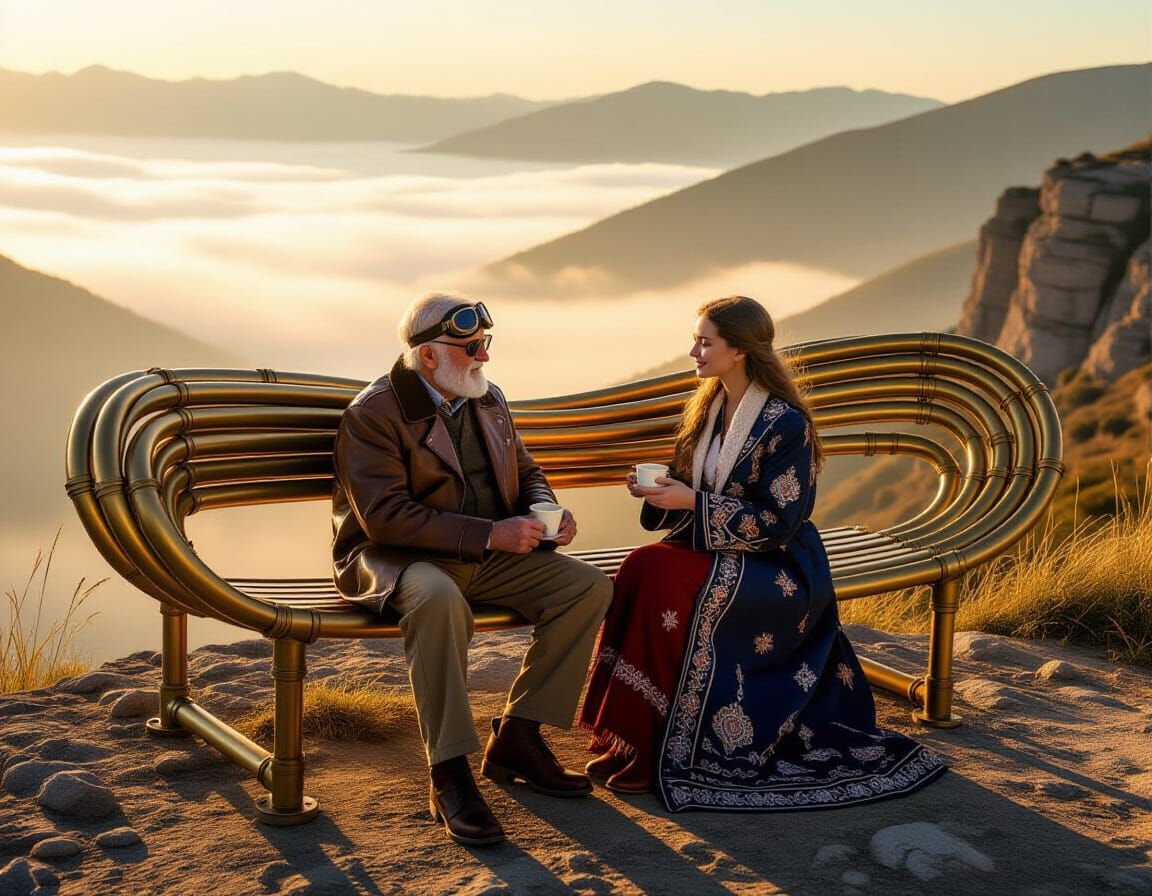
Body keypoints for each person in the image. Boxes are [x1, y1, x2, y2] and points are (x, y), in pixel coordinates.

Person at [579, 295, 946, 811]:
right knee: (640, 566)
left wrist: (695, 502)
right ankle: (631, 736)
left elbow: (778, 521)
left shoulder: (786, 424)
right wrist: (664, 491)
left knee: (661, 573)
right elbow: (692, 485)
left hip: (776, 564)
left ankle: (660, 750)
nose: (694, 352)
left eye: (706, 343)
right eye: (696, 340)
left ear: (740, 351)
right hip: (716, 544)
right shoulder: (707, 408)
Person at [332, 292, 613, 845]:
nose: (484, 357)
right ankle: (450, 772)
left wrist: (544, 512)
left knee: (586, 587)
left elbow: (527, 470)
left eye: (486, 344)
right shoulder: (373, 415)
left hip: (487, 553)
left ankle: (519, 736)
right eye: (471, 347)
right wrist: (490, 533)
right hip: (401, 560)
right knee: (439, 603)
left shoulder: (487, 398)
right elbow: (385, 519)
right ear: (428, 356)